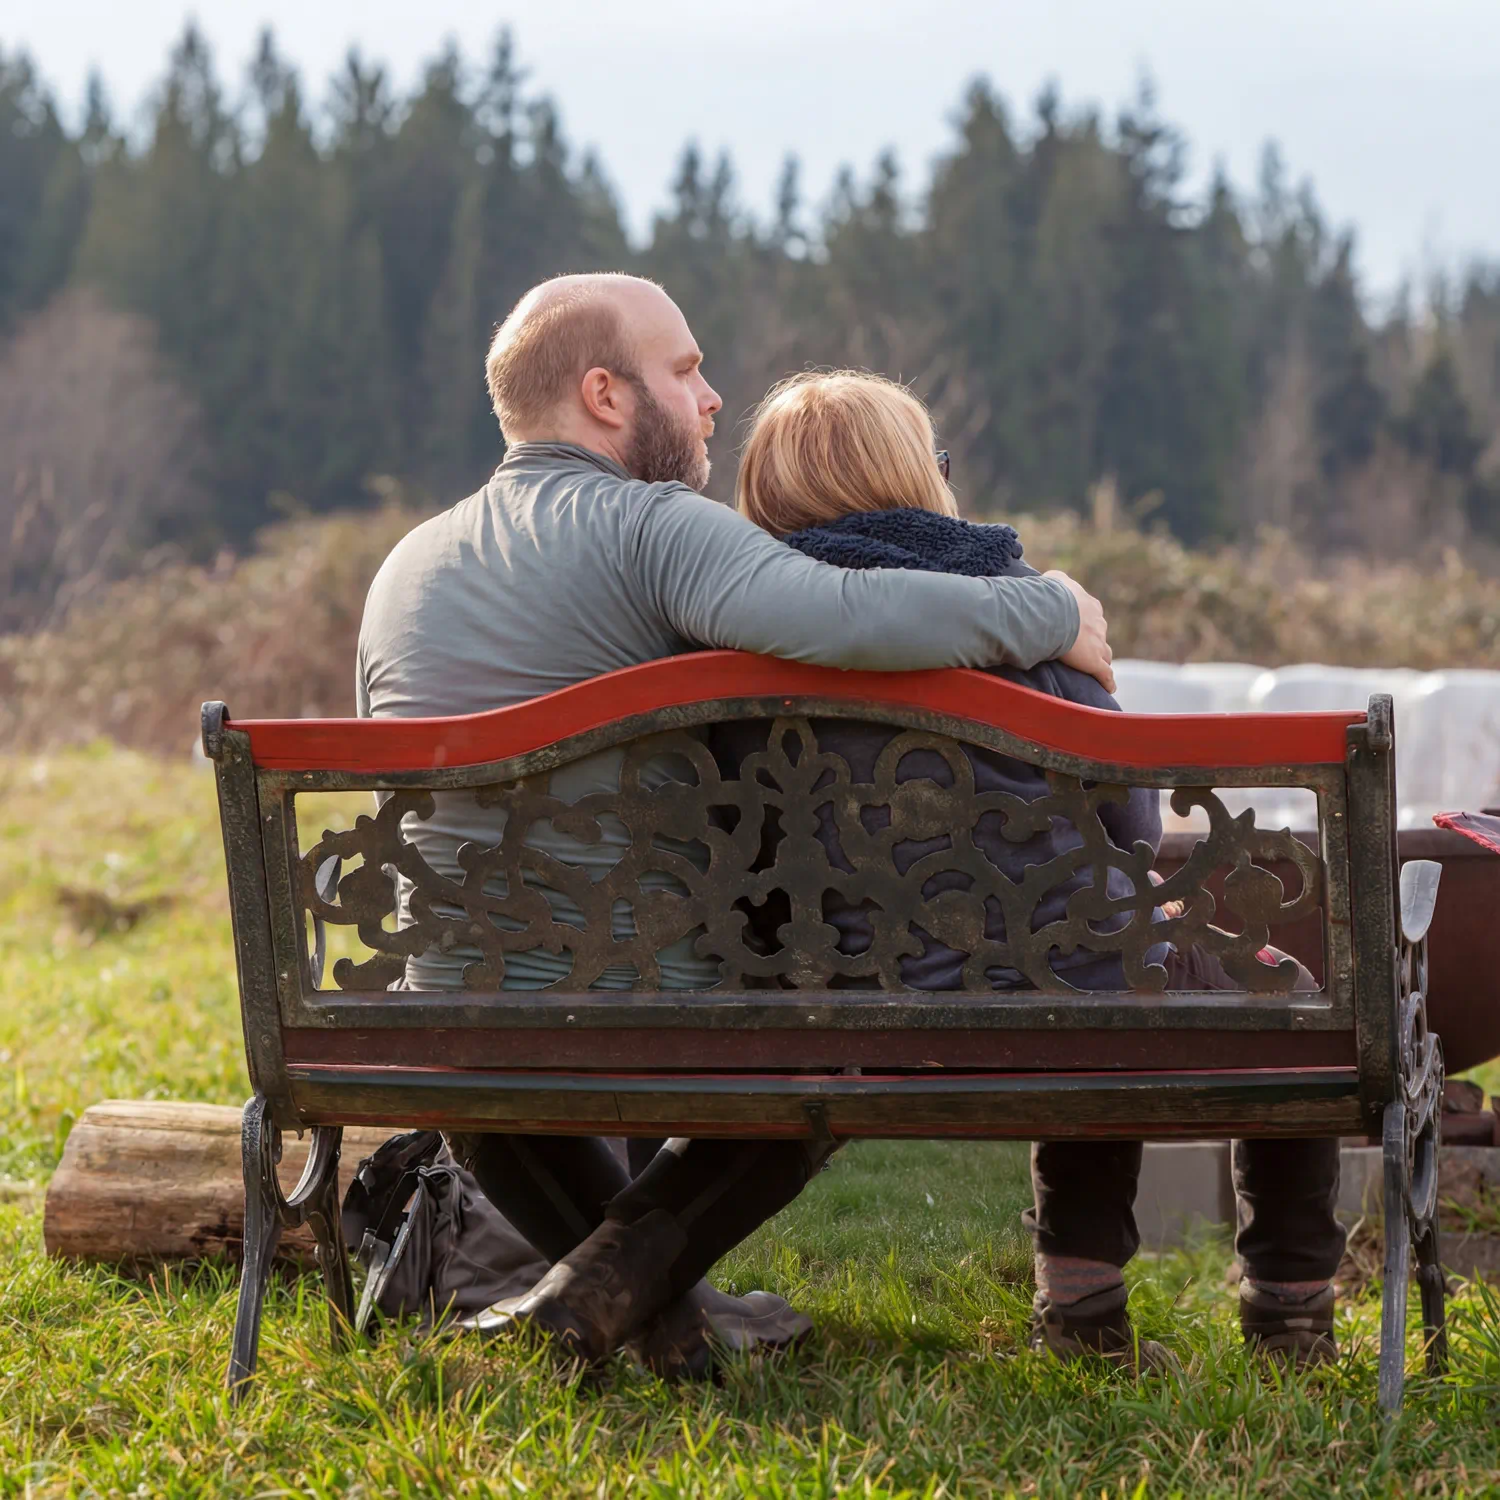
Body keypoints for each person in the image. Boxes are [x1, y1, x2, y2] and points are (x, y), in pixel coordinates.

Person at [355, 273, 1114, 1370]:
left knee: (497, 1068)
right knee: (830, 1036)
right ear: (606, 395)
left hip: (446, 1001)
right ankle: (633, 1297)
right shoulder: (655, 529)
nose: (713, 399)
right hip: (631, 984)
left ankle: (636, 1313)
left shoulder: (406, 565)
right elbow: (850, 614)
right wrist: (1049, 609)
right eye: (686, 370)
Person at [730, 369, 1344, 1370]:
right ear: (914, 479)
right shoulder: (1026, 623)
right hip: (1067, 982)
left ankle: (1086, 1318)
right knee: (1261, 994)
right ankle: (1282, 1318)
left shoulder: (744, 641)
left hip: (850, 992)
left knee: (1087, 954)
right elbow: (1131, 827)